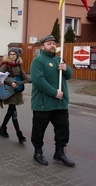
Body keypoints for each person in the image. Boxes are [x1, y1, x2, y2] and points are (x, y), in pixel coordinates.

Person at [30, 34, 75, 167]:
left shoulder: (59, 59)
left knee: (63, 129)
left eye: (54, 43)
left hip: (60, 104)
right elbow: (38, 80)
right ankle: (38, 152)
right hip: (43, 104)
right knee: (39, 130)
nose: (52, 46)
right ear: (43, 46)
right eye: (49, 44)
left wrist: (65, 68)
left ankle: (60, 153)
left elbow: (69, 76)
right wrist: (54, 92)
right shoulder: (38, 61)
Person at [0, 47, 29, 144]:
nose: (12, 56)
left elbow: (24, 76)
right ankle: (19, 134)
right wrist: (10, 83)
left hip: (16, 91)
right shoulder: (6, 65)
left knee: (11, 111)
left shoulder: (18, 65)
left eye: (14, 54)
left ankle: (3, 128)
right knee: (13, 112)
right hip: (9, 91)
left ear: (17, 55)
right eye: (11, 54)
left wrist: (30, 79)